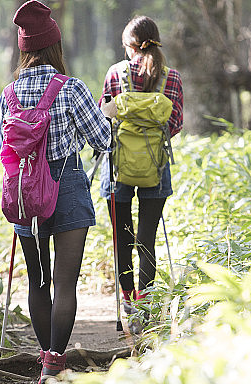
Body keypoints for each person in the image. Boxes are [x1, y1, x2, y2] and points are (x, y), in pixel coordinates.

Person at [0, 0, 111, 384]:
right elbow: (103, 139)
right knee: (65, 282)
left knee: (37, 281)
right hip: (65, 187)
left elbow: (6, 144)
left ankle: (43, 351)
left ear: (24, 48)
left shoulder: (9, 93)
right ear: (54, 46)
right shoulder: (72, 87)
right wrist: (104, 118)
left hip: (24, 193)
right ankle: (53, 365)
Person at [99, 15, 183, 334]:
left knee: (123, 237)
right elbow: (176, 122)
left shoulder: (115, 74)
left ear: (130, 47)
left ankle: (128, 303)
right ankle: (146, 313)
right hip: (156, 167)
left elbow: (103, 114)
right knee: (147, 239)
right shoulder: (170, 77)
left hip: (118, 167)